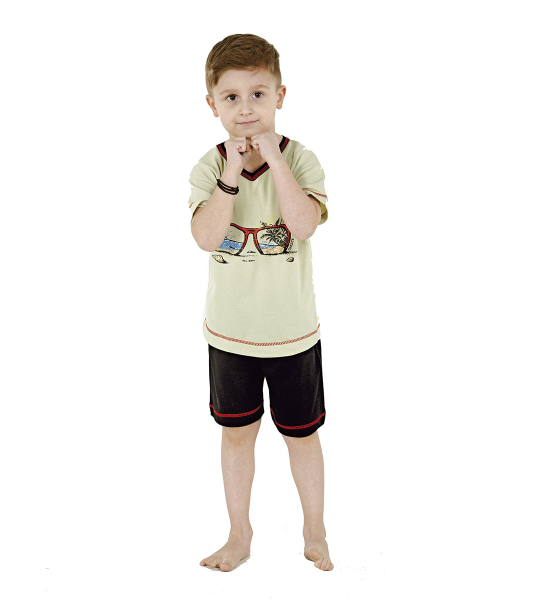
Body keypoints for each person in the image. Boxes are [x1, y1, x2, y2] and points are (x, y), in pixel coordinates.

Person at [188, 34, 333, 572]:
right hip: (231, 334)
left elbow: (303, 225)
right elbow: (207, 237)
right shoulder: (209, 166)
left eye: (258, 94)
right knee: (236, 437)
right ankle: (239, 534)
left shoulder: (301, 159)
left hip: (292, 333)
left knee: (303, 438)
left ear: (280, 96)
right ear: (212, 104)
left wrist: (274, 159)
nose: (245, 108)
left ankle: (315, 531)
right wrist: (231, 171)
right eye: (231, 97)